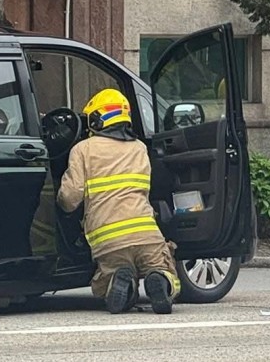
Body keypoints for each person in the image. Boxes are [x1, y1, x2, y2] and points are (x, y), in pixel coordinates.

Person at [58, 89, 180, 314]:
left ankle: (121, 282)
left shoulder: (82, 149)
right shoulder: (140, 149)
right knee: (166, 271)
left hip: (109, 239)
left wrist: (58, 205)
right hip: (146, 234)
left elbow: (70, 197)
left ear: (97, 119)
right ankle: (159, 280)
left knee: (107, 283)